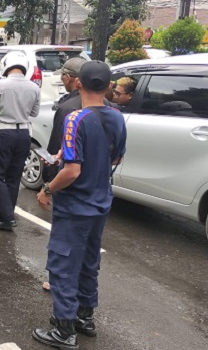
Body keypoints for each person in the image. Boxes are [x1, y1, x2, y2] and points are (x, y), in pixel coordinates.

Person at [33, 61, 127, 349]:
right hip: (100, 202)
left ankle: (64, 329)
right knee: (88, 261)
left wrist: (47, 189)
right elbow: (116, 158)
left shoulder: (75, 119)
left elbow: (72, 171)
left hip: (75, 206)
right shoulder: (117, 117)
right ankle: (85, 318)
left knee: (63, 265)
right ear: (109, 86)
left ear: (78, 84)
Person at [0, 51, 41, 231]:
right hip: (23, 134)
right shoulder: (34, 87)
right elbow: (34, 113)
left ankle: (6, 218)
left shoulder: (0, 85)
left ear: (6, 65)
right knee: (13, 177)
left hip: (3, 132)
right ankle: (8, 214)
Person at [45, 58, 89, 182]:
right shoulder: (104, 104)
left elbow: (57, 144)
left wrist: (49, 179)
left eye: (62, 76)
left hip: (68, 177)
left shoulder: (67, 108)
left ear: (68, 78)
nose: (61, 80)